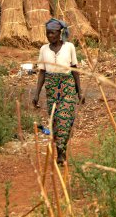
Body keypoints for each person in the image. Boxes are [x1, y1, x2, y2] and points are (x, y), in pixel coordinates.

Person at [32, 19, 85, 165]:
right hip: (51, 88)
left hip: (67, 86)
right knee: (55, 122)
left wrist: (79, 91)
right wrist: (36, 94)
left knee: (65, 120)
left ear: (59, 33)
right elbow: (42, 72)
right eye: (47, 33)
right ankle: (60, 152)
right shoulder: (43, 49)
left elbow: (74, 69)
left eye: (52, 33)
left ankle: (62, 154)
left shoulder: (69, 47)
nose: (50, 36)